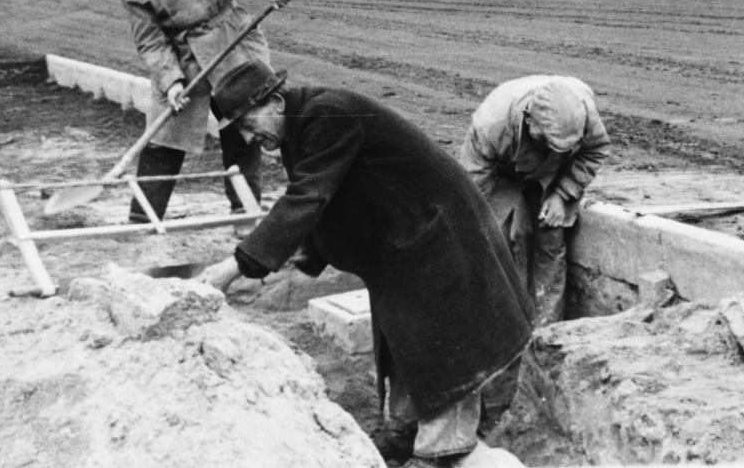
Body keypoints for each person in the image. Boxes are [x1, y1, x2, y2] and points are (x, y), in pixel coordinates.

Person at [197, 59, 532, 468]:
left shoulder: (328, 114)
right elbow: (329, 203)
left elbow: (309, 197)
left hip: (440, 246)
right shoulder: (299, 128)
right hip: (407, 251)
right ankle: (403, 438)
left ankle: (445, 452)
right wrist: (303, 264)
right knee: (407, 347)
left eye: (249, 124)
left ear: (277, 101)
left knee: (445, 359)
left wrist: (236, 265)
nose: (250, 138)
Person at [112, 0, 297, 222]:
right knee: (164, 139)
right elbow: (151, 41)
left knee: (244, 129)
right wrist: (171, 81)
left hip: (233, 45)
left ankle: (243, 212)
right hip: (181, 57)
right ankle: (143, 218)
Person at [459, 74, 610, 327]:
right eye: (548, 142)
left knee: (550, 237)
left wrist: (562, 195)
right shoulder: (491, 126)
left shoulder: (582, 112)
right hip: (501, 172)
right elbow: (474, 187)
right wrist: (472, 233)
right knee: (500, 238)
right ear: (530, 121)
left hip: (555, 170)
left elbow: (594, 151)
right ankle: (506, 326)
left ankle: (546, 330)